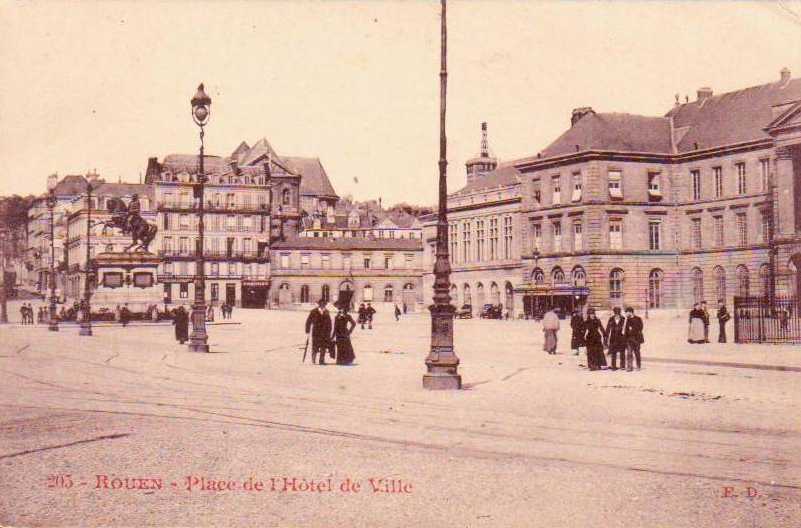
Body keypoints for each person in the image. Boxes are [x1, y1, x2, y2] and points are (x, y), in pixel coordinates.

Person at [305, 299, 333, 365]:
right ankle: (313, 359)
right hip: (316, 332)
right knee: (315, 346)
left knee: (323, 347)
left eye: (324, 304)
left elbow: (329, 323)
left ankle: (321, 360)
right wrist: (307, 330)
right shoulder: (313, 311)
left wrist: (329, 331)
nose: (323, 305)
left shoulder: (327, 312)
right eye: (322, 303)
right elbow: (308, 321)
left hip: (325, 332)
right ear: (319, 304)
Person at [623, 307, 644, 371]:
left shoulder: (638, 319)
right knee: (629, 353)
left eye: (627, 312)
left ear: (631, 312)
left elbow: (640, 327)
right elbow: (624, 330)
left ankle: (638, 366)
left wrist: (632, 329)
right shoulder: (626, 320)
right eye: (626, 313)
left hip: (636, 339)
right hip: (629, 339)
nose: (626, 314)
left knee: (637, 353)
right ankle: (629, 367)